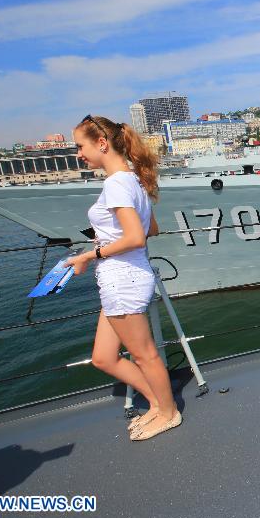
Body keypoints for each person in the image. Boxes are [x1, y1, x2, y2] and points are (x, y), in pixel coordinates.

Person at [65, 114, 181, 441]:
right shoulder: (133, 179)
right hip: (124, 277)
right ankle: (160, 403)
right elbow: (151, 228)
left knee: (145, 354)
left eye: (80, 146)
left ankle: (168, 413)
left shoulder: (116, 182)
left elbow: (135, 237)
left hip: (123, 278)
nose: (79, 154)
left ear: (101, 144)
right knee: (103, 356)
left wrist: (91, 254)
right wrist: (107, 237)